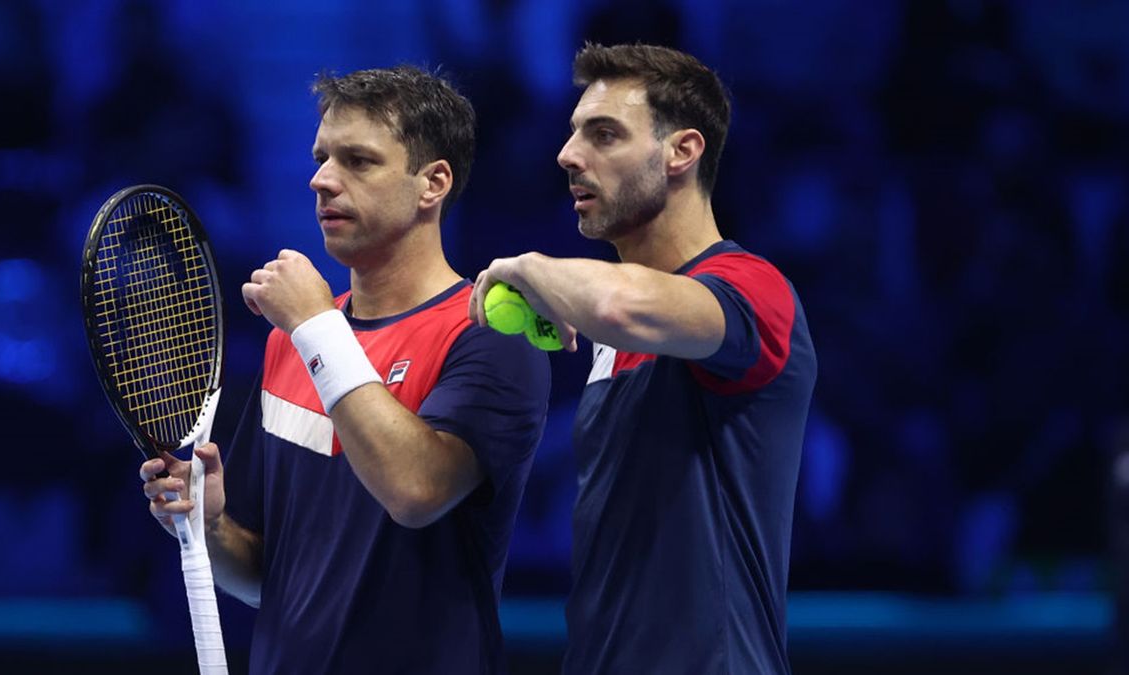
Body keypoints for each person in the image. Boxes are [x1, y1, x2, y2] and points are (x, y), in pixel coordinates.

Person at [141, 65, 550, 674]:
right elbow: (269, 580)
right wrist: (212, 524)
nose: (322, 180)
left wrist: (314, 328)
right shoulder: (295, 343)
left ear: (432, 182)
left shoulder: (487, 340)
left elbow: (415, 491)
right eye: (321, 157)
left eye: (358, 161)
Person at [470, 43, 817, 673]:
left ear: (682, 151)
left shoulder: (753, 288)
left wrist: (527, 268)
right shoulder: (617, 338)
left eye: (603, 134)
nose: (568, 156)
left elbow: (623, 305)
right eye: (573, 133)